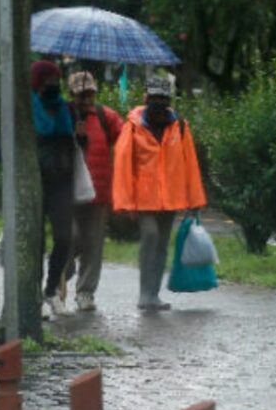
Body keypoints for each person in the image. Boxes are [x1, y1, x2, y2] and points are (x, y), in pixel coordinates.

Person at [112, 73, 207, 310]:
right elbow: (123, 165)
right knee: (151, 237)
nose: (158, 102)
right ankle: (144, 294)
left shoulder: (180, 126)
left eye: (163, 98)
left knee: (163, 243)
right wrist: (125, 201)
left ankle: (153, 295)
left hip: (171, 198)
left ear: (169, 100)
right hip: (143, 198)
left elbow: (190, 164)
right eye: (154, 97)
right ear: (146, 97)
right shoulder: (132, 127)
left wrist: (194, 199)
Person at [66, 71, 123, 312]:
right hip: (68, 192)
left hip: (99, 192)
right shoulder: (63, 114)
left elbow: (125, 139)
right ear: (72, 95)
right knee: (68, 239)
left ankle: (85, 292)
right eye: (81, 95)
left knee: (93, 244)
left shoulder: (105, 116)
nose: (86, 99)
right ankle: (59, 279)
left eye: (90, 94)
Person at [31, 60, 75, 320]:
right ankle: (34, 294)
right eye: (46, 79)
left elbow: (71, 144)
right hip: (36, 181)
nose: (52, 84)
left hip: (62, 180)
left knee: (64, 237)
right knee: (35, 242)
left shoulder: (65, 108)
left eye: (55, 79)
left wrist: (79, 135)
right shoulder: (26, 107)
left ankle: (51, 289)